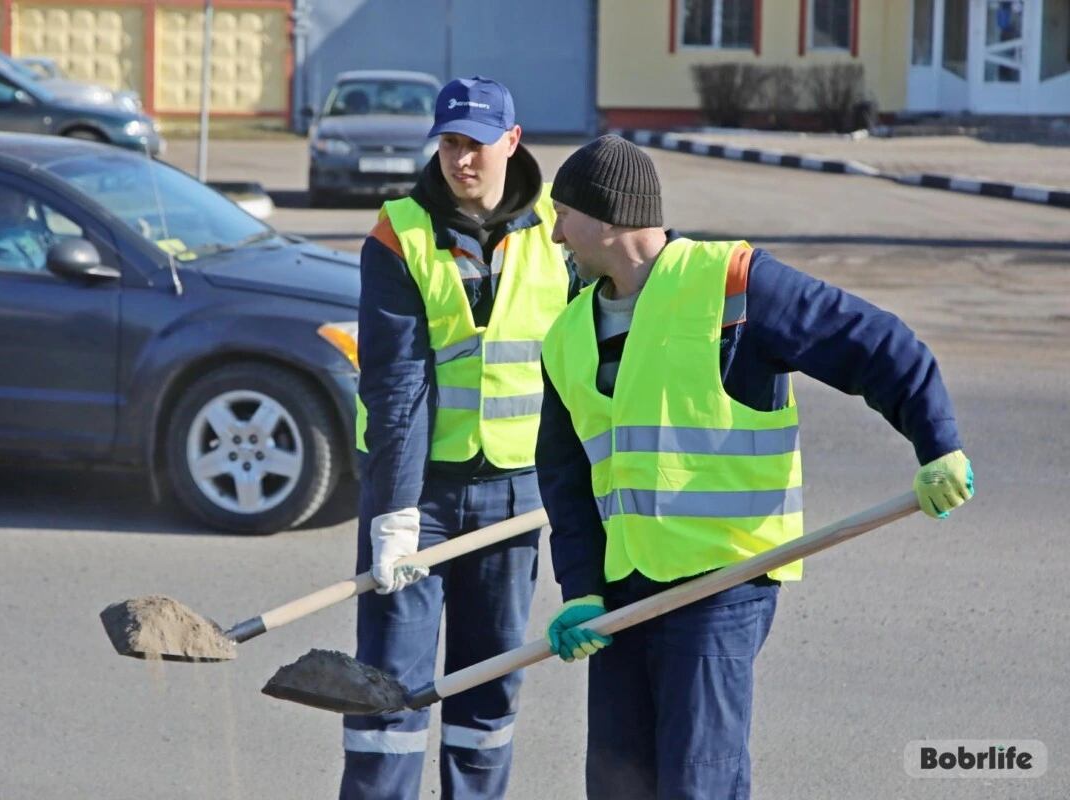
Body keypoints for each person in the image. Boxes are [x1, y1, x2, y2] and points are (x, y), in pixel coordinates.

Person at [535, 135, 974, 800]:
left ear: (607, 217)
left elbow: (873, 343)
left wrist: (936, 442)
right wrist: (581, 590)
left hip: (723, 584)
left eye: (563, 213)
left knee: (697, 785)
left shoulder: (732, 283)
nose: (556, 233)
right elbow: (567, 482)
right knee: (619, 784)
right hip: (624, 592)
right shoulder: (567, 336)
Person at [341, 76, 575, 800]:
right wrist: (394, 514)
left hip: (515, 490)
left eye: (476, 144)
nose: (461, 159)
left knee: (487, 691)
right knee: (388, 697)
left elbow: (588, 364)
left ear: (513, 141)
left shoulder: (559, 231)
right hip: (418, 493)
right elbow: (397, 383)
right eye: (449, 142)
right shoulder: (399, 233)